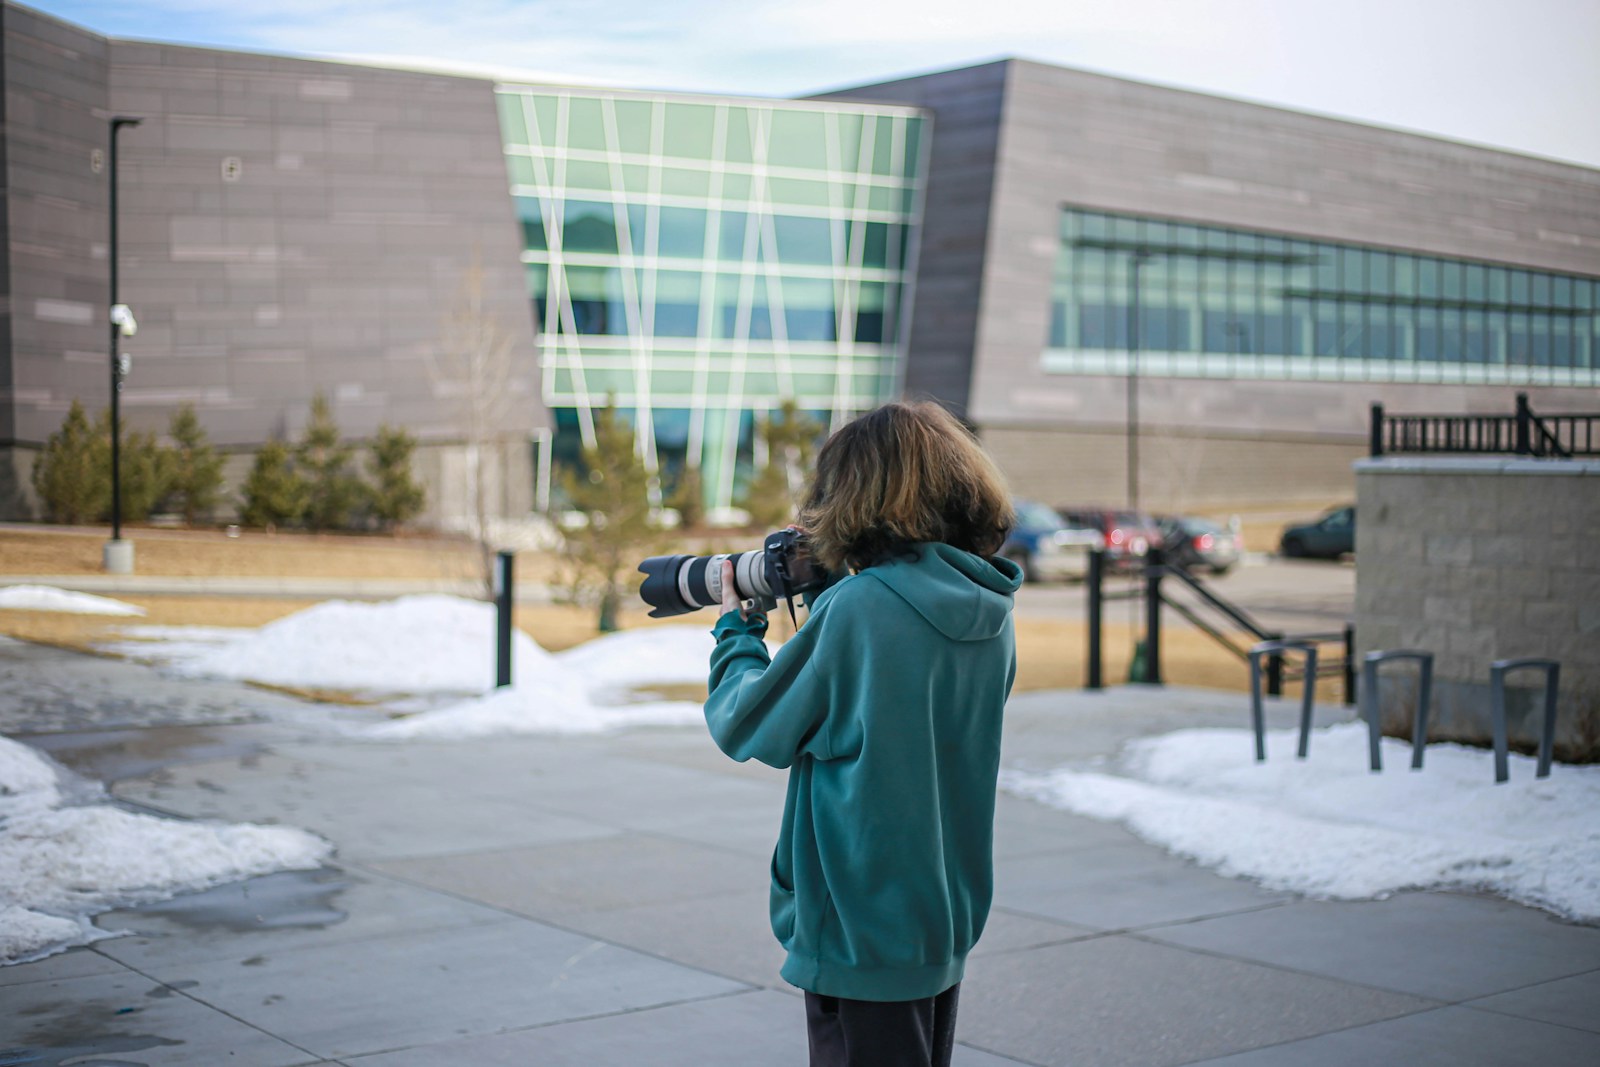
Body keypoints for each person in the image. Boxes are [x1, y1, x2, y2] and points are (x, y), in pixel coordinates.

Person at [704, 400, 1021, 1067]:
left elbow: (748, 722)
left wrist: (736, 632)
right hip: (939, 912)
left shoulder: (861, 607)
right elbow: (885, 696)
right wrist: (827, 596)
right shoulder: (990, 608)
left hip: (858, 917)